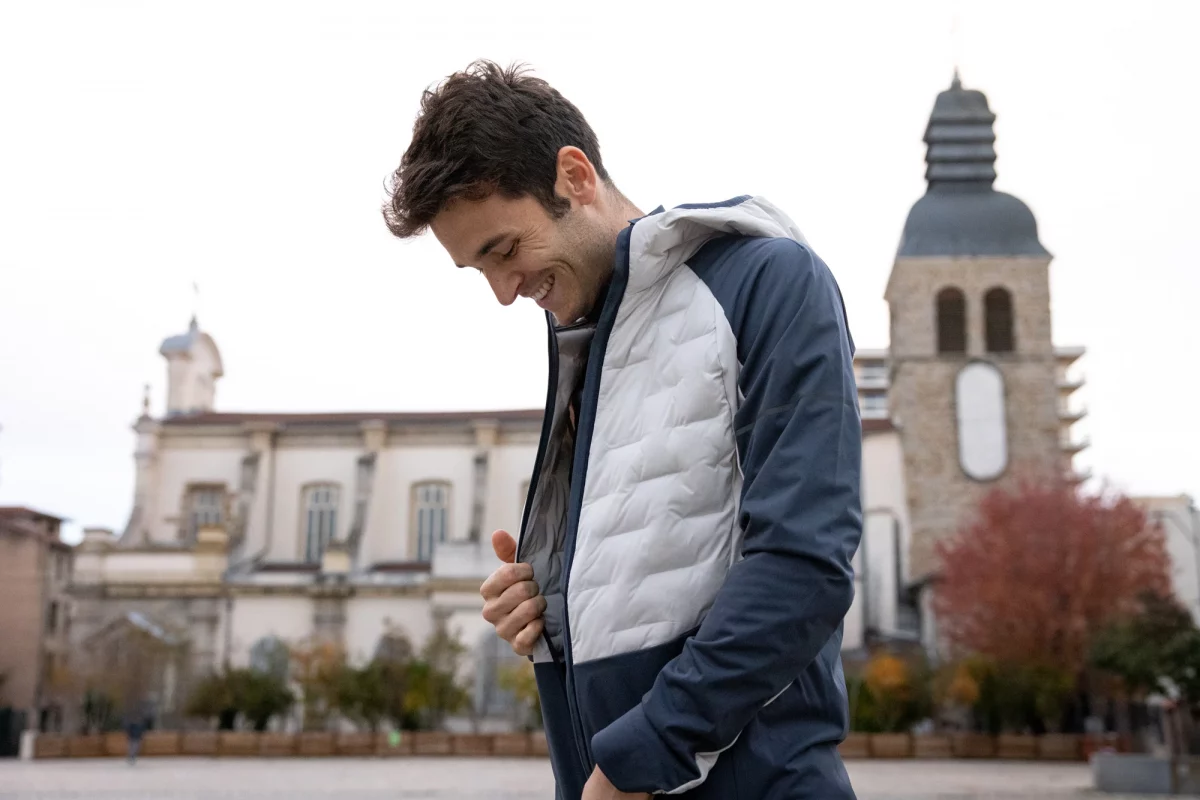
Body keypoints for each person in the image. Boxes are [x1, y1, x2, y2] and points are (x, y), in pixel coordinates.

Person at [384, 61, 862, 800]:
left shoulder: (769, 284)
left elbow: (803, 563)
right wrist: (550, 606)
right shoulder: (586, 341)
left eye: (504, 251)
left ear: (574, 177)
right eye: (477, 270)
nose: (504, 294)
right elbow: (668, 563)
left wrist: (640, 759)